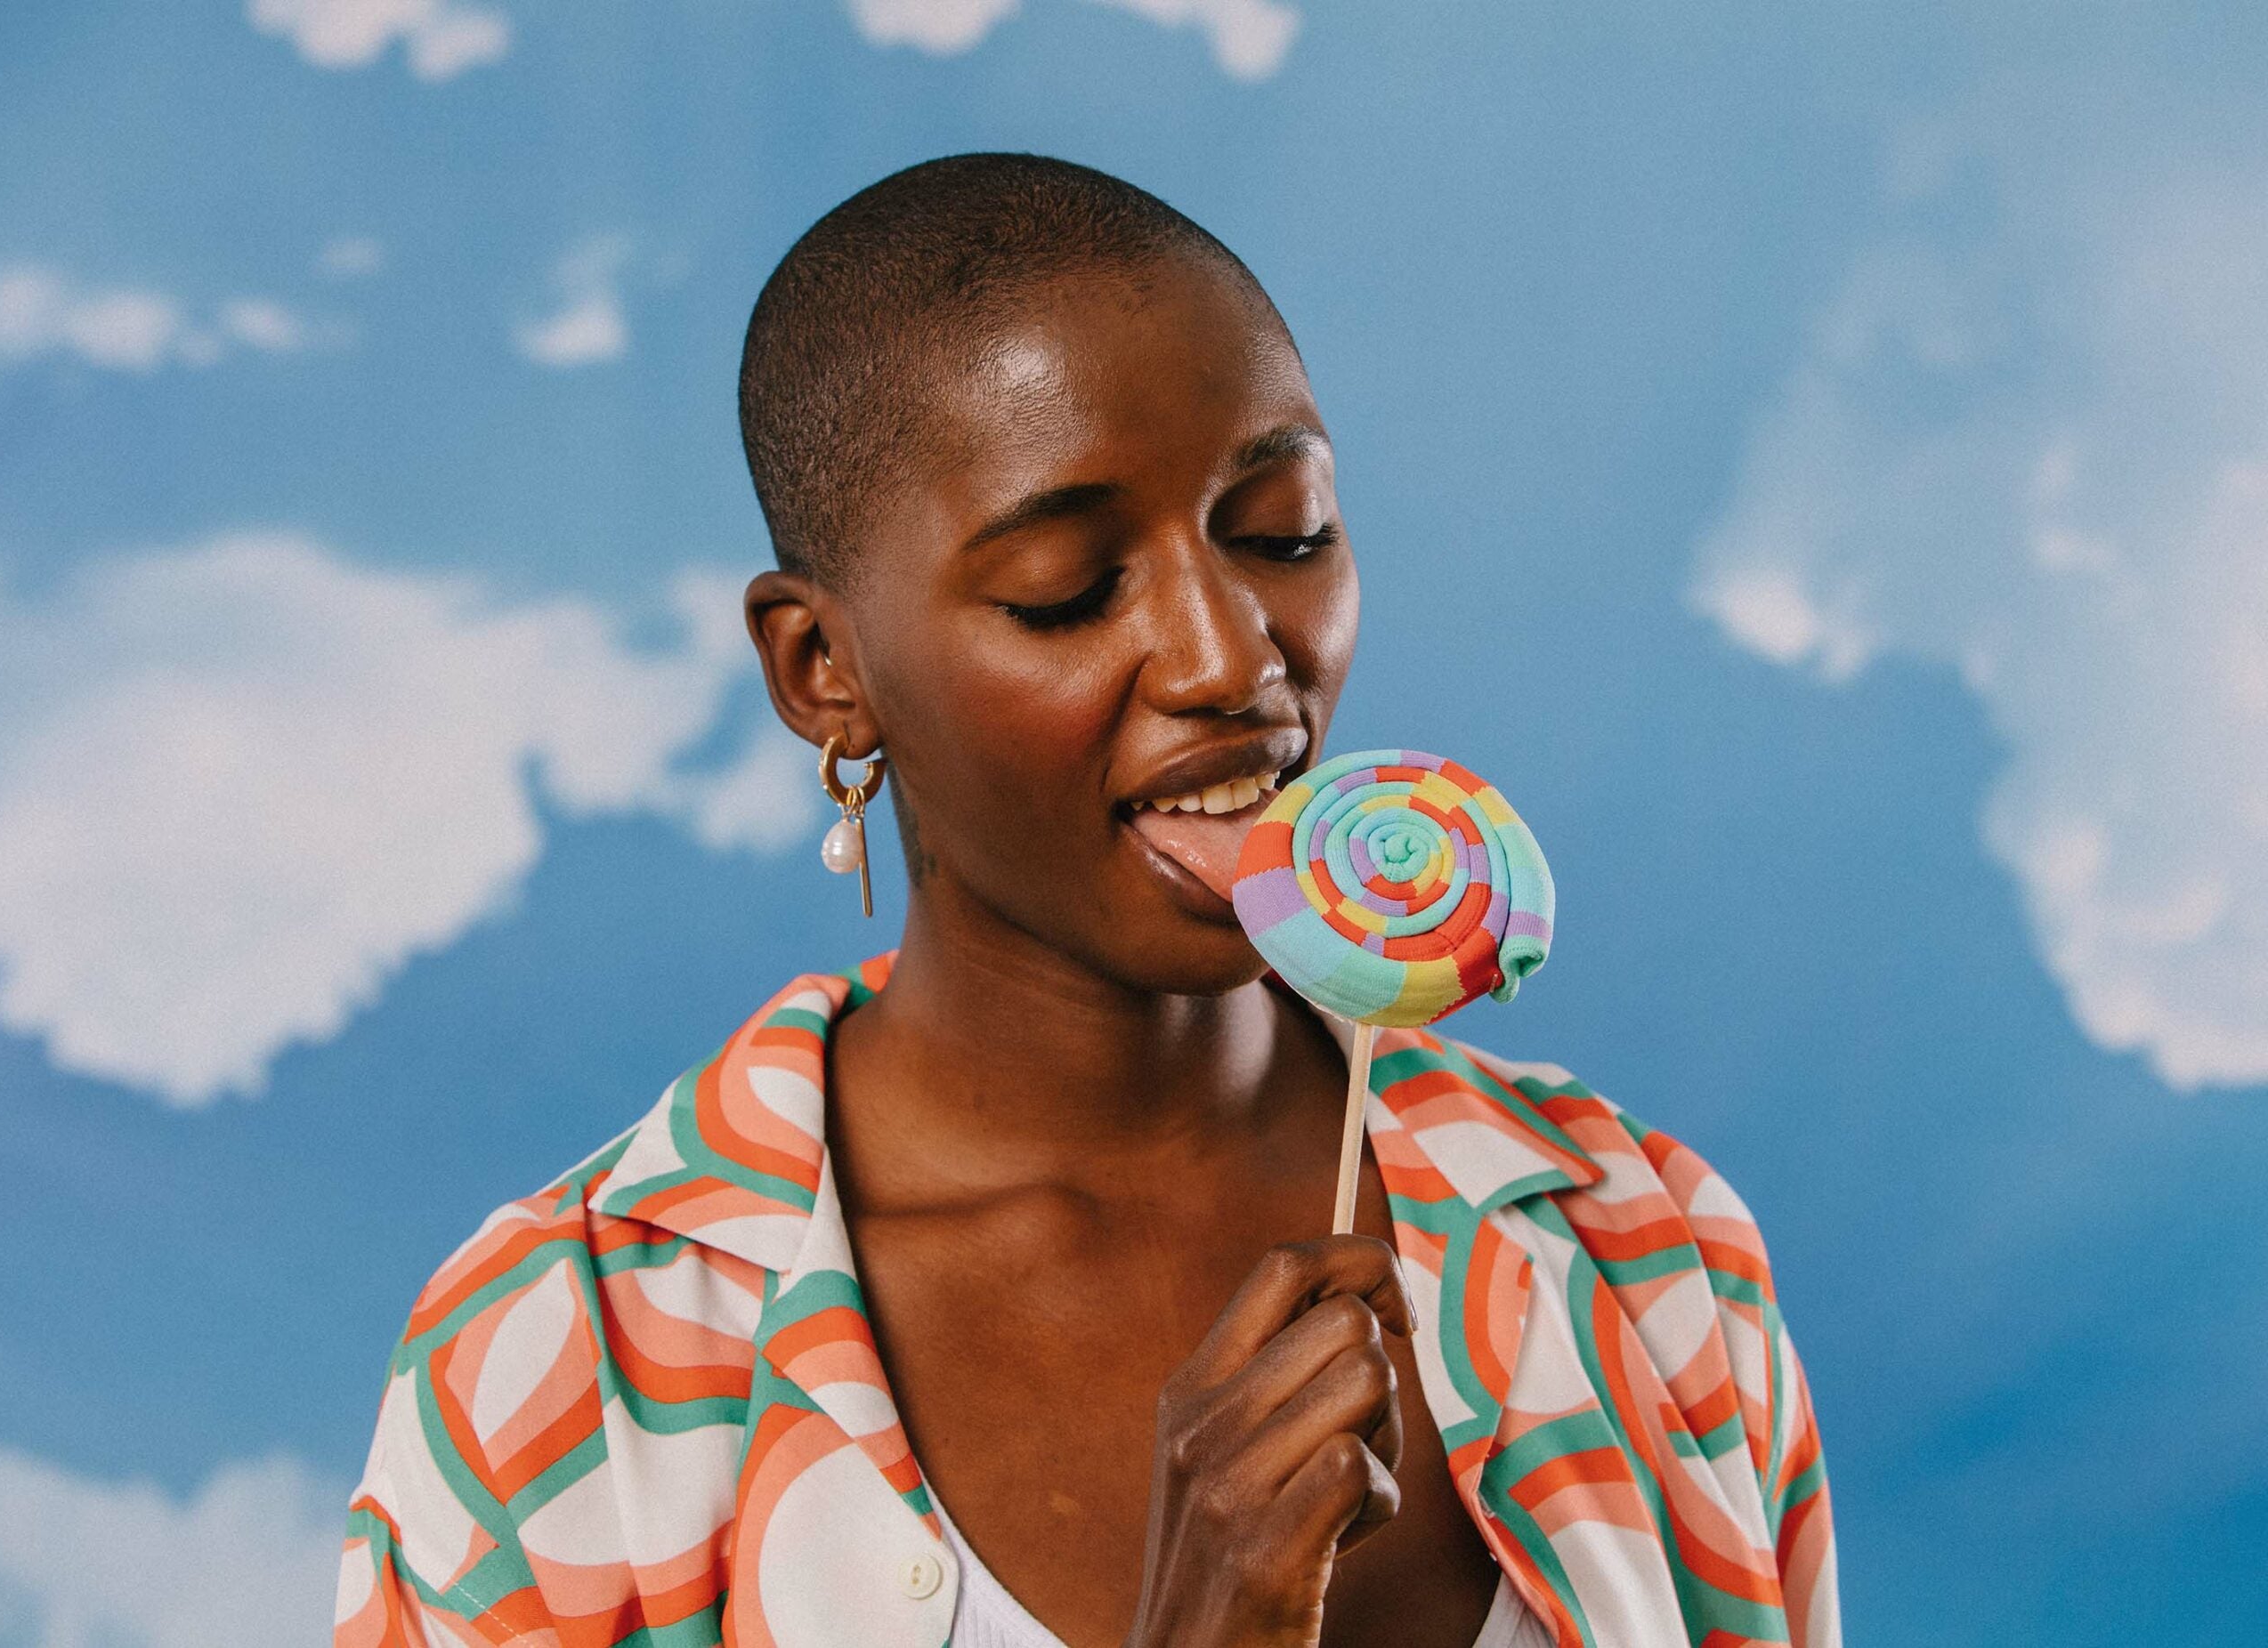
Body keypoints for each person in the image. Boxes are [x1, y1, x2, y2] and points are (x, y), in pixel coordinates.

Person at [334, 153, 1839, 1648]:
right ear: (822, 670)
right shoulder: (566, 1363)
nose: (1229, 660)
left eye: (1283, 533)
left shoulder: (1646, 1248)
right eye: (1067, 587)